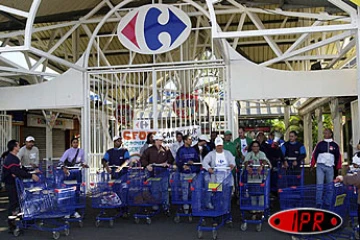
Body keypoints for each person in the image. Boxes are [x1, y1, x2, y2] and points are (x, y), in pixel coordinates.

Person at [2, 140, 40, 232]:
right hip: (11, 184)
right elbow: (16, 171)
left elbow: (20, 169)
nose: (19, 146)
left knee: (19, 202)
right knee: (14, 203)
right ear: (14, 147)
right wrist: (31, 175)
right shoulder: (11, 159)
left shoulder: (14, 158)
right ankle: (12, 225)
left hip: (14, 183)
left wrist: (32, 171)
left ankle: (24, 220)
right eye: (18, 145)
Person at [140, 134, 175, 211]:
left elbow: (171, 159)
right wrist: (147, 165)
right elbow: (143, 159)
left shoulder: (166, 149)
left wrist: (167, 163)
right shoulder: (149, 150)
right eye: (159, 140)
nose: (161, 142)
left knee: (164, 189)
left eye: (161, 140)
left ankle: (166, 206)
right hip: (153, 172)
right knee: (155, 189)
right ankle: (155, 204)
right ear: (155, 141)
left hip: (164, 171)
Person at [311, 128, 342, 208]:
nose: (325, 135)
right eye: (324, 133)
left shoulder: (335, 145)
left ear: (331, 134)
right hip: (320, 166)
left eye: (327, 133)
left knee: (329, 186)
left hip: (330, 167)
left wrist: (338, 167)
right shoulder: (320, 144)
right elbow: (314, 155)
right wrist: (312, 165)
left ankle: (328, 202)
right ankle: (318, 202)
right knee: (319, 185)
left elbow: (338, 157)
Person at [202, 136, 236, 209]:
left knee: (226, 196)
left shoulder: (228, 153)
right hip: (215, 178)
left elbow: (232, 161)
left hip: (227, 178)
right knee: (216, 195)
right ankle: (216, 210)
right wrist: (209, 169)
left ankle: (226, 211)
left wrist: (232, 165)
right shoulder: (211, 154)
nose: (219, 147)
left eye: (220, 145)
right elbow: (204, 162)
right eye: (218, 146)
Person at [175, 134, 200, 213]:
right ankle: (186, 207)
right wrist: (183, 165)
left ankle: (193, 206)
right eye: (189, 139)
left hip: (193, 173)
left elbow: (197, 160)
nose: (191, 141)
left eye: (191, 139)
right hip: (184, 173)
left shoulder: (193, 150)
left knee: (193, 190)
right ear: (185, 141)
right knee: (185, 190)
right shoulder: (180, 150)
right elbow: (178, 161)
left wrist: (193, 164)